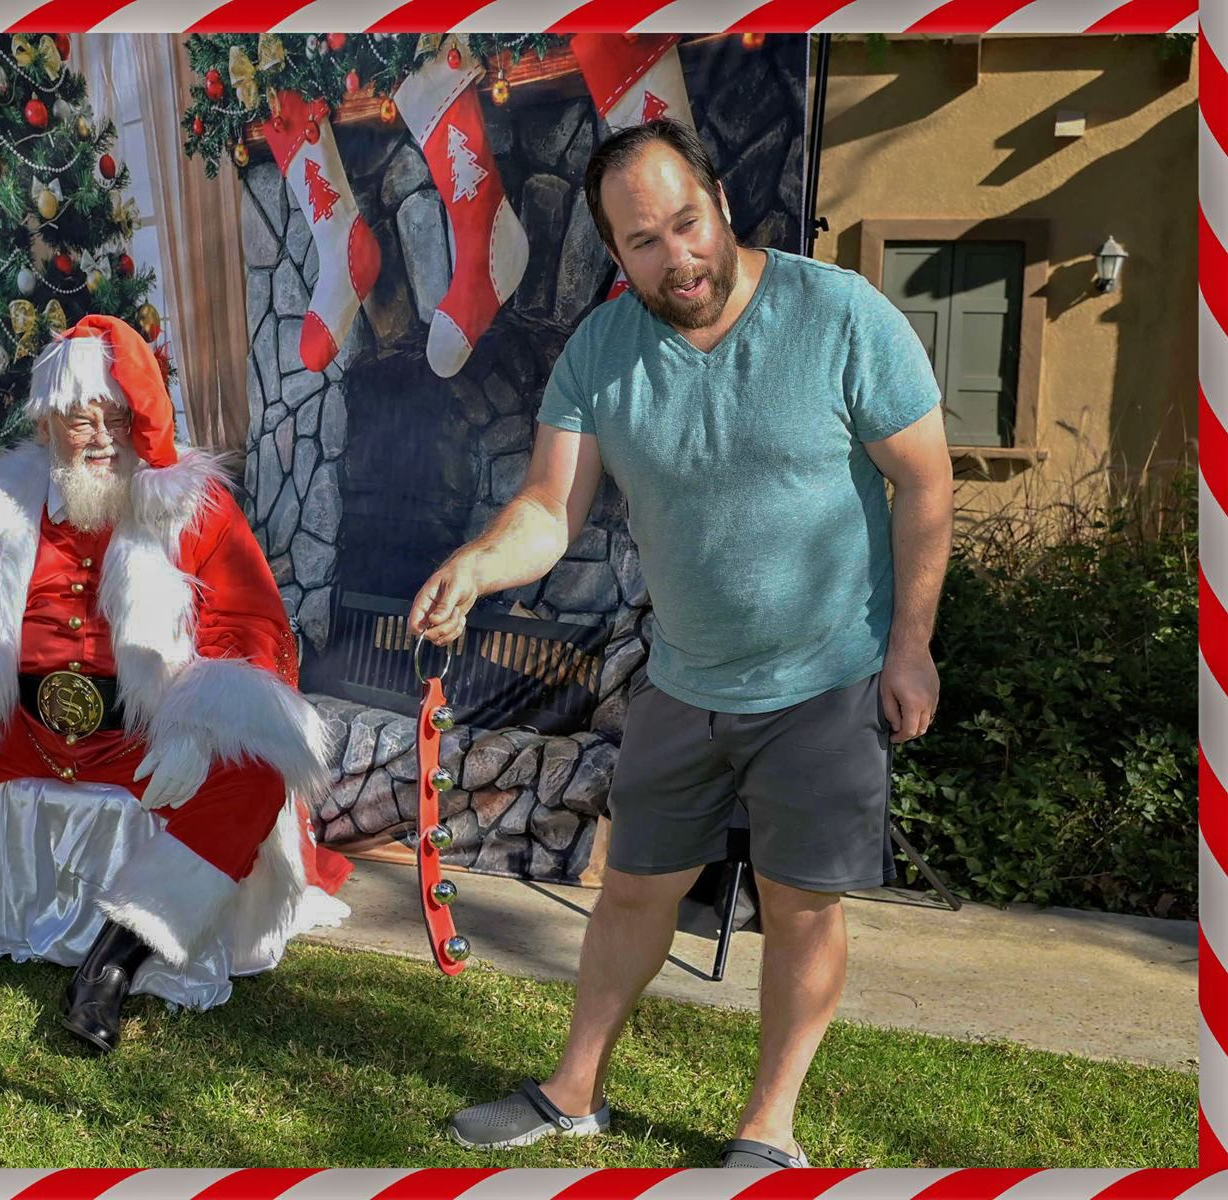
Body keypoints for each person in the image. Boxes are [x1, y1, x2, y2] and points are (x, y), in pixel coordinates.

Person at [410, 119, 952, 1166]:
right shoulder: (601, 352)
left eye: (687, 223)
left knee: (800, 908)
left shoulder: (839, 315)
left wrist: (911, 645)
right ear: (617, 253)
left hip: (827, 677)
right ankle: (575, 1092)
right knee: (633, 888)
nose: (679, 257)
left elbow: (927, 481)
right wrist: (477, 566)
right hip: (685, 677)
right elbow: (549, 508)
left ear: (721, 203)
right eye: (645, 241)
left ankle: (768, 1129)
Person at [0, 313, 349, 1053]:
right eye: (81, 420)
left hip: (135, 743)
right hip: (20, 733)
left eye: (116, 419)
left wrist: (199, 728)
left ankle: (112, 965)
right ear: (47, 425)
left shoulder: (195, 510)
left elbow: (250, 626)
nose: (101, 438)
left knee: (255, 766)